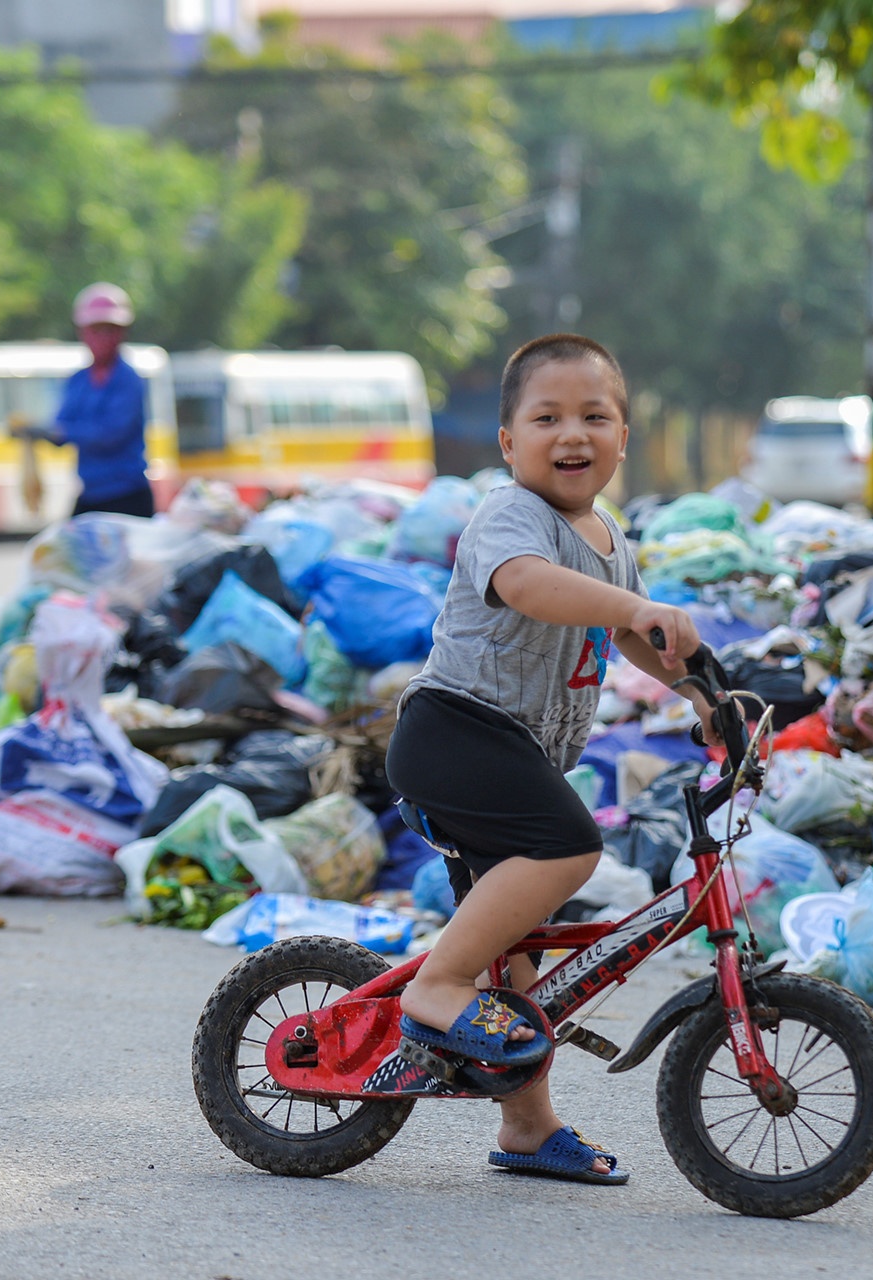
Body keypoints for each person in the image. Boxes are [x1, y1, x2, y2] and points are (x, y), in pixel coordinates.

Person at [383, 333, 718, 1186]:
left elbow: (624, 633)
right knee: (569, 846)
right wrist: (641, 606)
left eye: (594, 416)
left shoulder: (608, 536)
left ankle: (527, 1128)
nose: (573, 434)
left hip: (512, 754)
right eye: (548, 418)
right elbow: (531, 587)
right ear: (508, 443)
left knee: (520, 962)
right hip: (456, 733)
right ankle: (435, 988)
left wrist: (702, 695)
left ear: (624, 436)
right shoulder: (510, 516)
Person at [16, 283, 155, 518]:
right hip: (90, 495)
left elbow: (108, 434)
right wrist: (34, 432)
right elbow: (61, 426)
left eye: (109, 329)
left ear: (122, 333)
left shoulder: (128, 380)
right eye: (96, 330)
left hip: (127, 495)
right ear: (83, 333)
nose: (103, 338)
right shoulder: (78, 381)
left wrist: (57, 432)